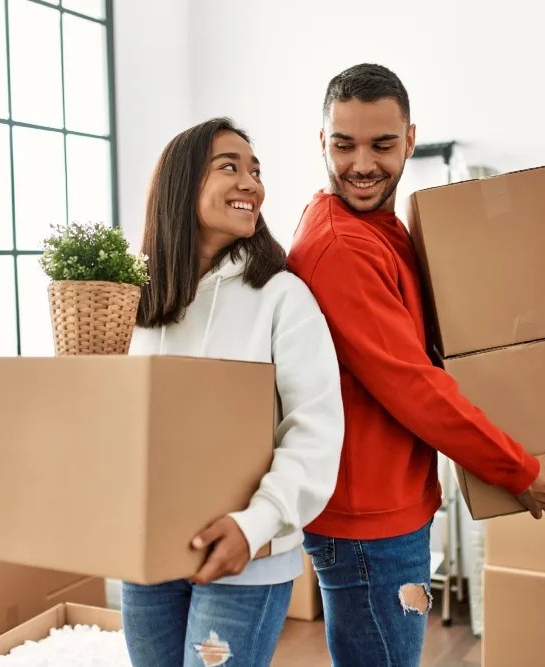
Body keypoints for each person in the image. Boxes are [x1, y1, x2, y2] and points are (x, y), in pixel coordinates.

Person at [287, 63, 545, 666]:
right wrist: (518, 468)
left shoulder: (380, 229)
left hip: (390, 506)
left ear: (411, 139)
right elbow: (413, 386)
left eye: (383, 144)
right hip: (368, 521)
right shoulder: (342, 247)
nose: (363, 164)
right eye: (344, 145)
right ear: (322, 141)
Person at [122, 117, 345, 667]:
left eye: (255, 171)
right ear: (181, 184)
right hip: (146, 551)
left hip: (249, 554)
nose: (251, 183)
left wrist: (255, 525)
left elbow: (315, 430)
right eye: (230, 167)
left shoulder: (282, 296)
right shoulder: (136, 298)